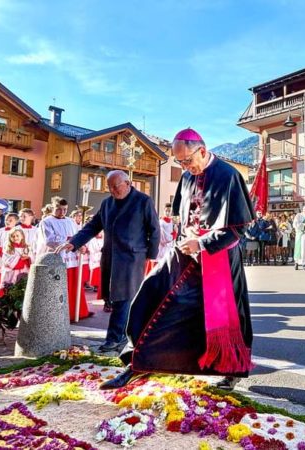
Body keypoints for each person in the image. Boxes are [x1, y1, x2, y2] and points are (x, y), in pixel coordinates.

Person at [94, 128, 254, 391]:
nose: (185, 167)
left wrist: (202, 243)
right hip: (186, 251)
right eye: (179, 162)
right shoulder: (188, 176)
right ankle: (138, 362)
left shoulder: (229, 176)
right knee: (152, 293)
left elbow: (237, 227)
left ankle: (232, 369)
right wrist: (186, 241)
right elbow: (185, 217)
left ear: (202, 151)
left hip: (219, 258)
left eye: (187, 161)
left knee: (227, 319)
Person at [58, 170, 160, 351]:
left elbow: (154, 229)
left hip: (132, 257)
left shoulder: (143, 201)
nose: (112, 191)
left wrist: (150, 255)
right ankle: (129, 335)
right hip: (111, 256)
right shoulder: (107, 204)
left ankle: (114, 338)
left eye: (116, 187)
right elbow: (93, 226)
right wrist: (73, 243)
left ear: (127, 184)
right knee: (112, 298)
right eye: (109, 187)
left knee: (123, 297)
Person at [41, 197, 87, 321]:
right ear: (53, 208)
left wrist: (82, 245)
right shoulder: (47, 221)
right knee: (59, 285)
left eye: (65, 209)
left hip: (72, 257)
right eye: (59, 209)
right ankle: (58, 315)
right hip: (58, 257)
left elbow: (79, 235)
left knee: (73, 284)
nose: (62, 212)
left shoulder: (71, 221)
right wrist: (68, 240)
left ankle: (75, 311)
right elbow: (49, 240)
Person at [0, 228, 31, 294]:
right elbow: (6, 260)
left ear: (22, 236)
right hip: (11, 272)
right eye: (13, 236)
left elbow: (33, 257)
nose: (15, 238)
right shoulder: (8, 248)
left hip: (25, 270)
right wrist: (20, 258)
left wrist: (29, 257)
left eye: (17, 235)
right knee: (10, 289)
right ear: (10, 238)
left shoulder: (27, 247)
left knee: (23, 288)